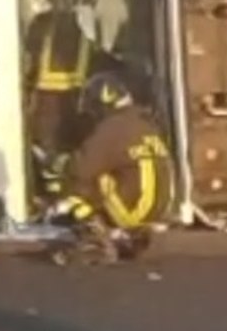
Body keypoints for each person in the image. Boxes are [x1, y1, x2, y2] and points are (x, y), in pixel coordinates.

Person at [51, 73, 176, 264]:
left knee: (81, 187)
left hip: (133, 209)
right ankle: (127, 236)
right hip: (158, 210)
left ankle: (94, 243)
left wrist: (58, 166)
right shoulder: (147, 125)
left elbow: (81, 168)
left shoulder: (110, 129)